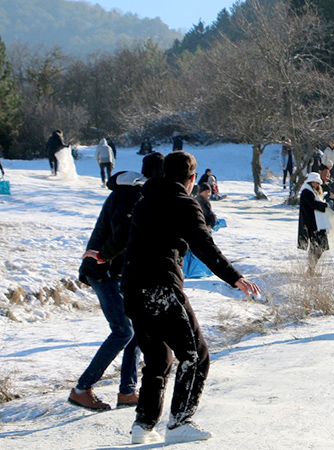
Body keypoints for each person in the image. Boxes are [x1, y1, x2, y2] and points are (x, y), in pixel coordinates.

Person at [121, 151, 260, 444]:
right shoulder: (185, 203)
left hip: (132, 288)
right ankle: (179, 423)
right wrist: (234, 277)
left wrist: (99, 253)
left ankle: (143, 426)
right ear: (192, 179)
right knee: (196, 355)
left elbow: (121, 235)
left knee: (158, 359)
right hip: (161, 287)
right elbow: (204, 245)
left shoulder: (145, 201)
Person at [70, 152, 165, 412]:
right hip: (103, 271)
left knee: (135, 328)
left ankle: (127, 391)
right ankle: (81, 389)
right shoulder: (132, 194)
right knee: (123, 331)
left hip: (116, 271)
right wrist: (104, 256)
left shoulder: (138, 192)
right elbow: (122, 232)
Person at [298, 172, 331, 271]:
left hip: (317, 223)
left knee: (319, 246)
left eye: (317, 182)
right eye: (315, 182)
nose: (317, 184)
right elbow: (313, 205)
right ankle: (311, 268)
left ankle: (312, 267)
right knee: (316, 246)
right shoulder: (306, 192)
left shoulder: (312, 191)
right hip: (313, 224)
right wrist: (326, 205)